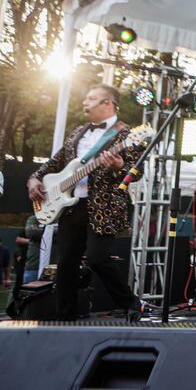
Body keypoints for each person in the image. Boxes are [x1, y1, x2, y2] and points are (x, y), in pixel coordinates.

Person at [26, 84, 144, 321]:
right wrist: (34, 178)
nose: (84, 102)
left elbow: (136, 172)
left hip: (104, 207)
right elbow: (56, 162)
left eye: (91, 98)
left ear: (107, 104)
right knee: (66, 262)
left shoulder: (126, 134)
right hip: (71, 206)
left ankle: (130, 303)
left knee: (97, 259)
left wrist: (119, 167)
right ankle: (65, 314)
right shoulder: (78, 132)